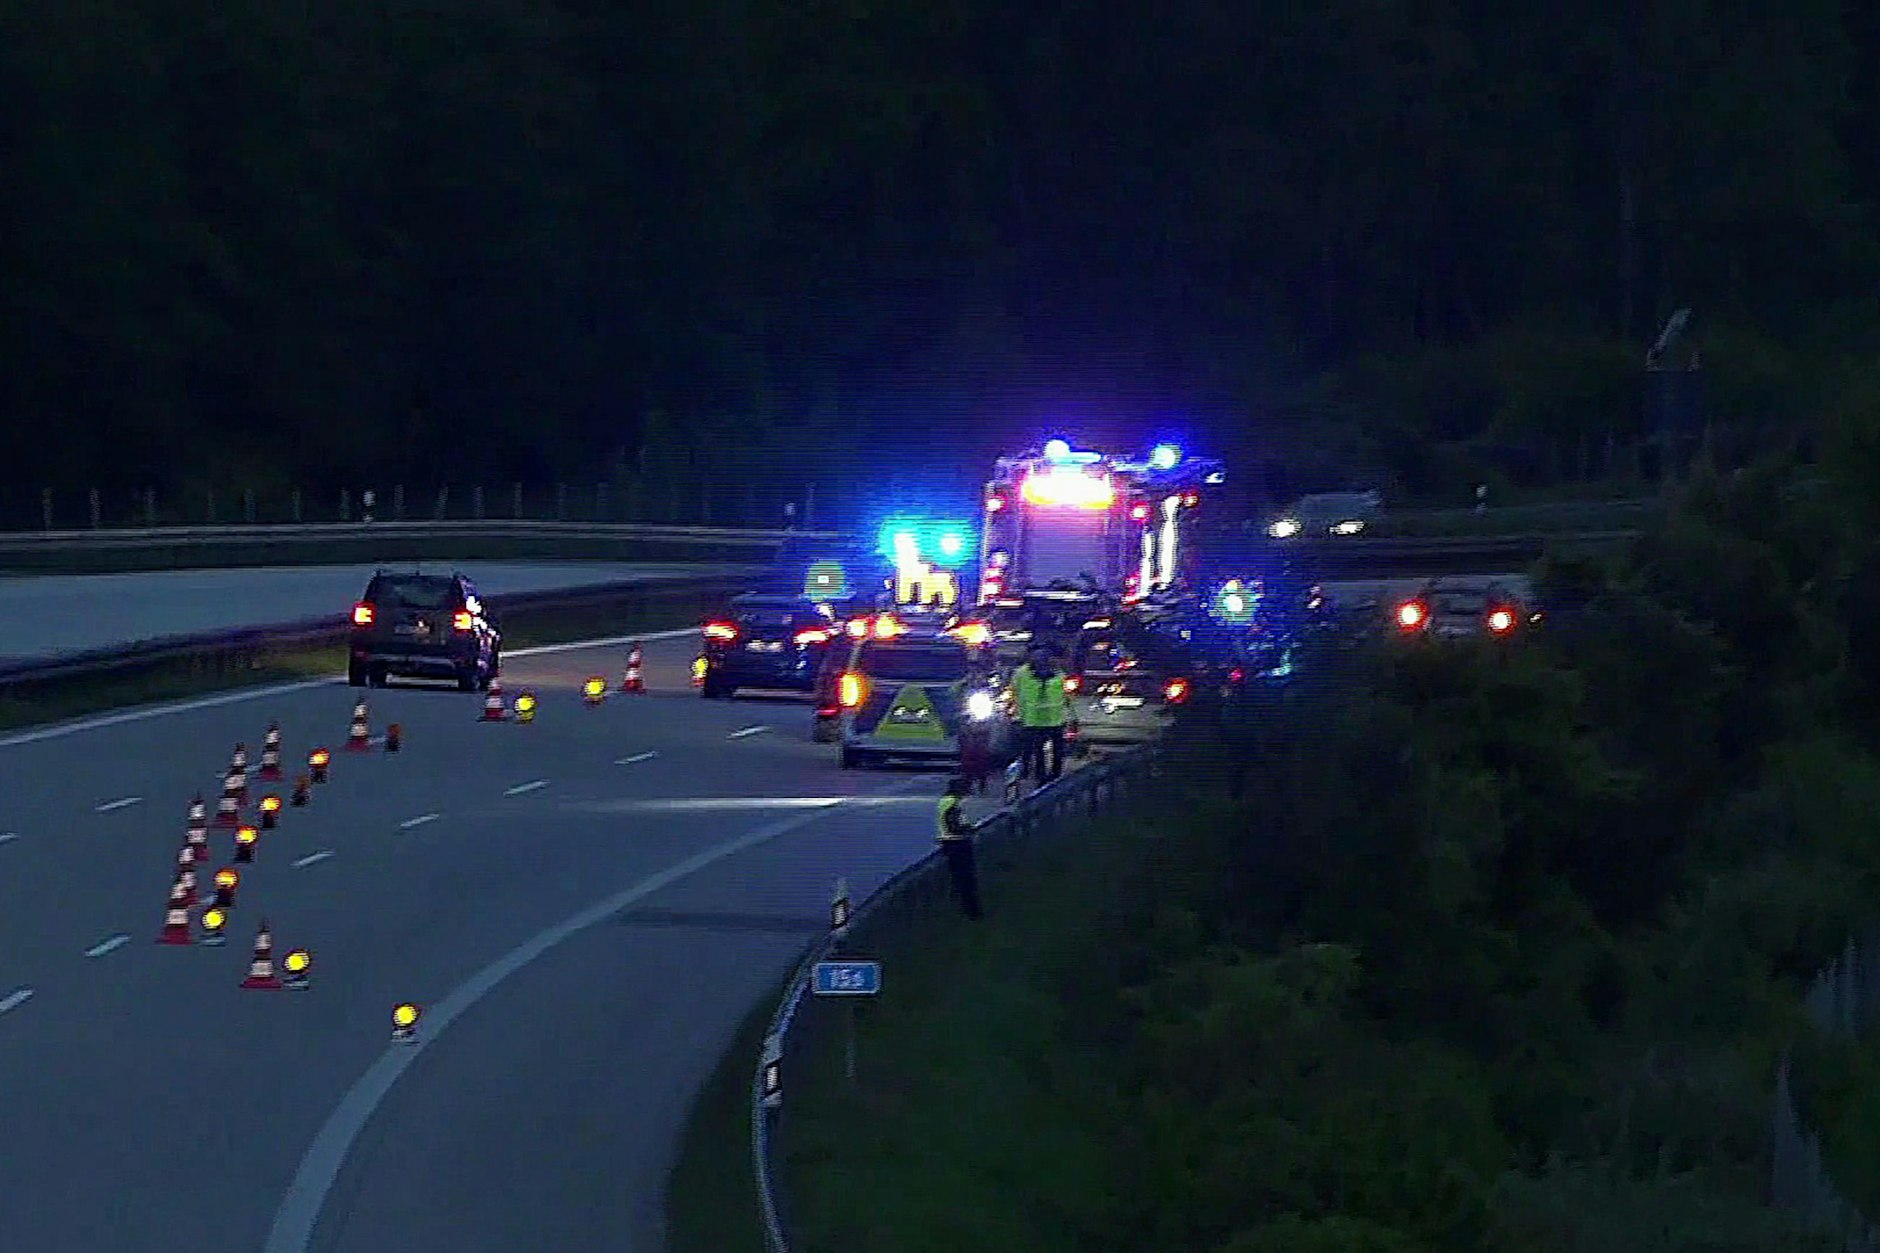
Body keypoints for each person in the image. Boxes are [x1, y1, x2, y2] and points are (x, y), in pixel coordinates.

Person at [1011, 645, 1071, 782]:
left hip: (1053, 719)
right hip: (1034, 720)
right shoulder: (1022, 674)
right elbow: (1015, 693)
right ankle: (1040, 776)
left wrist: (1069, 716)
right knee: (1038, 750)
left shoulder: (1058, 674)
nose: (1040, 660)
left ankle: (1054, 776)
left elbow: (1066, 696)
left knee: (1056, 751)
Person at [936, 775, 983, 919]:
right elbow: (953, 825)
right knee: (965, 879)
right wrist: (967, 830)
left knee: (959, 878)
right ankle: (971, 911)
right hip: (957, 843)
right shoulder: (951, 803)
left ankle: (961, 905)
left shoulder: (948, 801)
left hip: (951, 842)